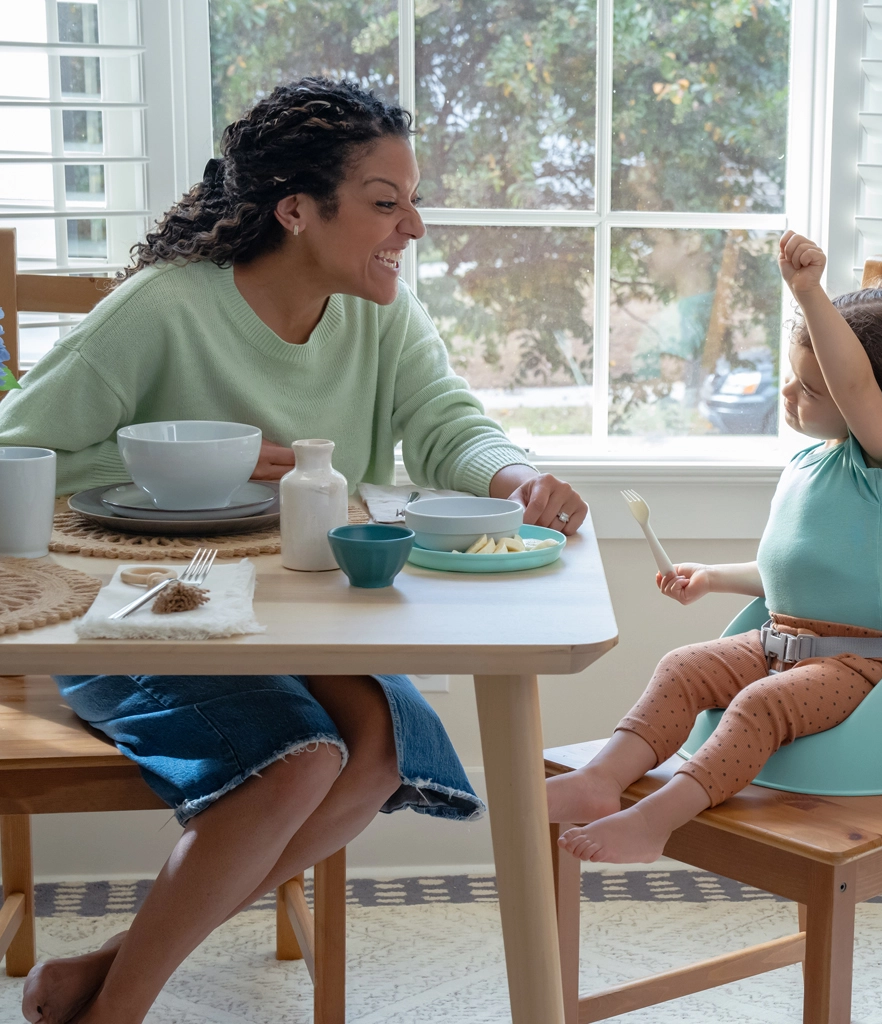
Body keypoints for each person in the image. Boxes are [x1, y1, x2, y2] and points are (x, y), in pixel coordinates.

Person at [0, 77, 588, 1024]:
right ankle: (120, 1009)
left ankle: (105, 972)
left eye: (413, 202)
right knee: (302, 759)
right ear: (296, 209)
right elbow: (16, 451)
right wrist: (194, 458)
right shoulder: (162, 307)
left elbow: (446, 422)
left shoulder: (383, 310)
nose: (413, 228)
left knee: (381, 744)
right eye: (386, 204)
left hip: (305, 620)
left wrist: (514, 478)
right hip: (149, 620)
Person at [547, 230, 882, 864]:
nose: (788, 394)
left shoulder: (879, 465)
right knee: (681, 667)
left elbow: (854, 386)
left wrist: (809, 293)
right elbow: (790, 571)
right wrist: (712, 577)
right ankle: (600, 779)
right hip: (780, 642)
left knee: (758, 704)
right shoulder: (809, 463)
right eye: (792, 378)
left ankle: (655, 820)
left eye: (810, 389)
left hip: (858, 665)